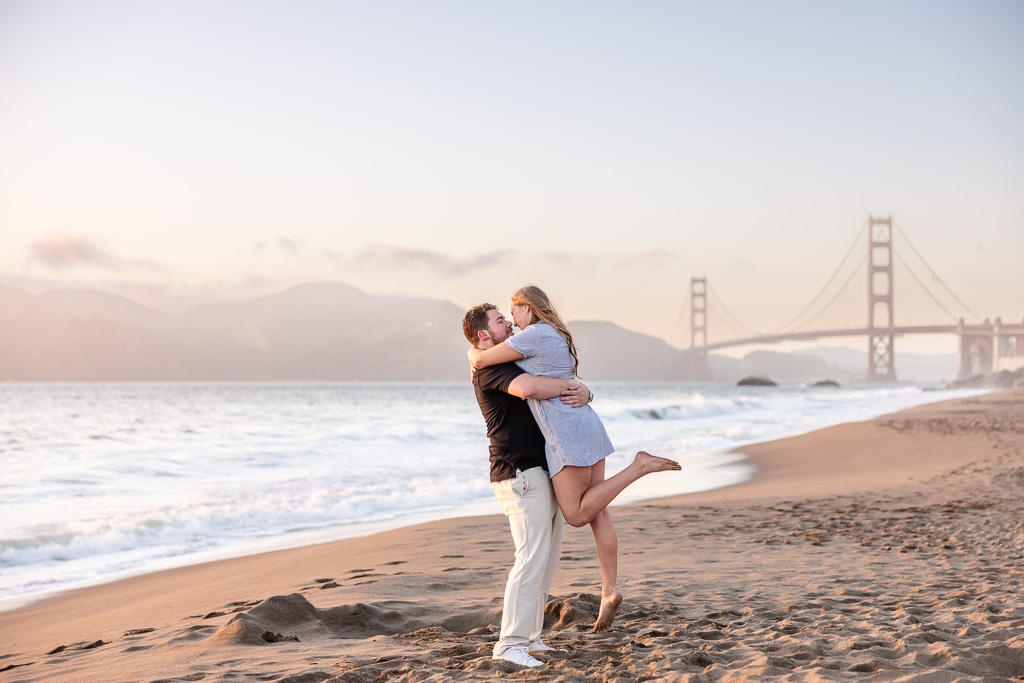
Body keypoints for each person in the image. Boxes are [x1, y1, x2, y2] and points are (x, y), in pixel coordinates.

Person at [468, 285, 681, 632]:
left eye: (513, 312)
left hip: (567, 434)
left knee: (578, 514)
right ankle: (609, 590)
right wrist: (585, 390)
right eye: (502, 317)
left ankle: (639, 466)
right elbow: (565, 379)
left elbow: (482, 360)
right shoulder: (555, 333)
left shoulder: (531, 334)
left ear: (529, 309)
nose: (510, 321)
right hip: (587, 423)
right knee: (599, 512)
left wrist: (470, 355)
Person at [463, 302, 592, 668]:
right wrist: (573, 386)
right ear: (485, 335)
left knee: (545, 562)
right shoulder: (489, 368)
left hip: (539, 471)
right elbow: (533, 389)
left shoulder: (505, 359)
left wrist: (585, 392)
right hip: (517, 474)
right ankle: (509, 644)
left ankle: (532, 639)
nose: (509, 323)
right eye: (501, 320)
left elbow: (545, 382)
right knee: (530, 558)